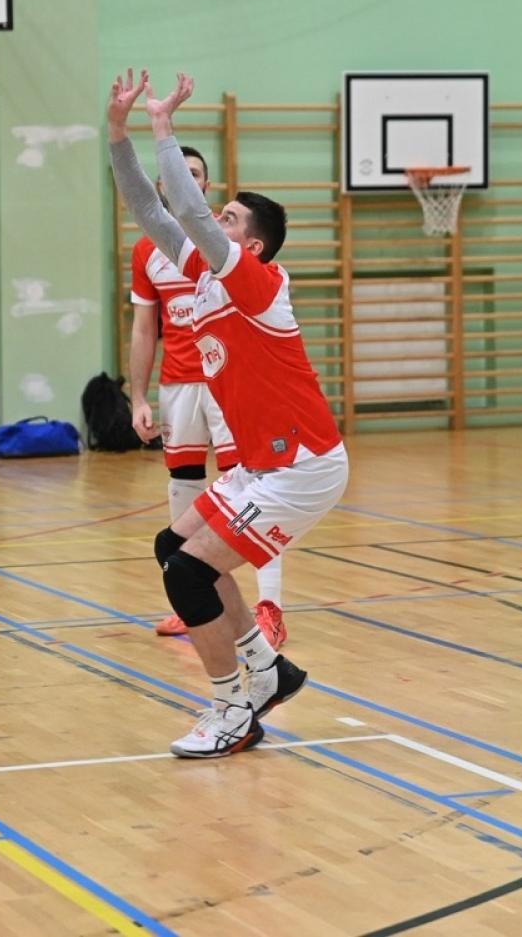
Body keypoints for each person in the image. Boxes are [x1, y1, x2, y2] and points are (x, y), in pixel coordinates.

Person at [108, 68, 348, 758]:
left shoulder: (258, 283)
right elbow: (152, 214)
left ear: (251, 246)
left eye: (230, 218)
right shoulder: (208, 274)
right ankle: (265, 669)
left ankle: (231, 709)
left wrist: (162, 126)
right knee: (173, 550)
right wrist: (118, 132)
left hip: (301, 465)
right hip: (271, 463)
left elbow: (183, 208)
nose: (217, 220)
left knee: (188, 574)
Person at [129, 146, 287, 647]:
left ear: (206, 186)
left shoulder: (228, 250)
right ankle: (199, 605)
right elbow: (143, 330)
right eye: (179, 174)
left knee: (253, 493)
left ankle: (270, 608)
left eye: (195, 174)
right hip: (178, 385)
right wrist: (137, 397)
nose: (187, 181)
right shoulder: (149, 252)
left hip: (228, 387)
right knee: (185, 489)